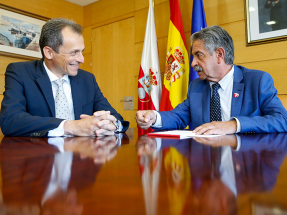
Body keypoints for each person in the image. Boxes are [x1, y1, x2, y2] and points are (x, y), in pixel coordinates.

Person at [135, 25, 287, 135]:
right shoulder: (197, 86)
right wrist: (154, 117)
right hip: (206, 166)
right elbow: (178, 116)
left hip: (246, 165)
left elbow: (281, 119)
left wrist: (233, 125)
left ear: (220, 55)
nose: (193, 63)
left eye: (199, 55)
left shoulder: (258, 81)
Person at [0, 18, 129, 137]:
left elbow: (115, 117)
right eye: (74, 52)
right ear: (49, 52)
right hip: (39, 156)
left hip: (83, 156)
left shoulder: (87, 79)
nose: (82, 59)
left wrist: (111, 125)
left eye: (82, 51)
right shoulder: (20, 72)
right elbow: (10, 120)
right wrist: (71, 126)